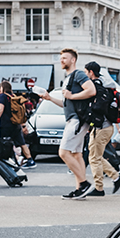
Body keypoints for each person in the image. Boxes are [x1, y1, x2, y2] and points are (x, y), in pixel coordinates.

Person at [39, 48, 96, 199]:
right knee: (76, 154)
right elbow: (66, 102)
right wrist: (50, 98)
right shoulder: (68, 78)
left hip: (77, 120)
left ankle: (84, 184)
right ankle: (80, 189)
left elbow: (91, 90)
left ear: (73, 60)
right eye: (61, 58)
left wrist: (73, 95)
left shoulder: (78, 74)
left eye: (65, 58)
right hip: (74, 119)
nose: (61, 60)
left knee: (63, 152)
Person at [82, 61, 120, 197]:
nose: (85, 75)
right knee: (96, 156)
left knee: (93, 158)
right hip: (106, 127)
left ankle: (99, 188)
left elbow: (98, 108)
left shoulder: (96, 87)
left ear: (91, 72)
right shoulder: (106, 86)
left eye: (86, 72)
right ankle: (116, 177)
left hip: (100, 127)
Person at [0, 81, 37, 169]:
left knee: (4, 143)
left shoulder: (3, 96)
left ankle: (8, 161)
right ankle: (30, 160)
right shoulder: (14, 96)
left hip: (6, 124)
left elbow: (1, 109)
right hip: (16, 124)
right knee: (21, 143)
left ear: (3, 88)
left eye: (0, 87)